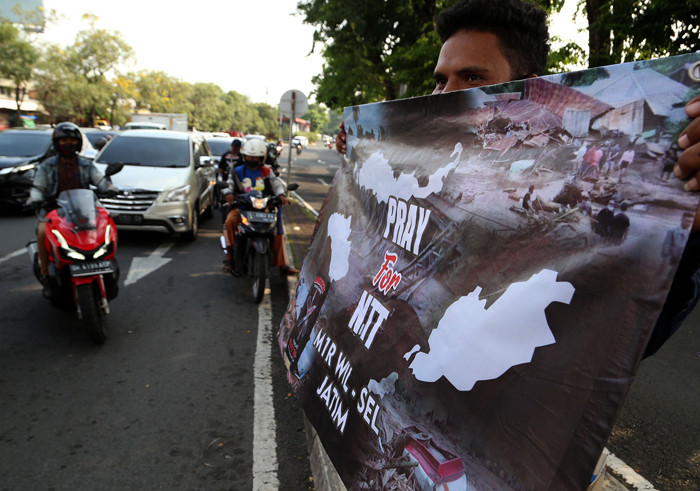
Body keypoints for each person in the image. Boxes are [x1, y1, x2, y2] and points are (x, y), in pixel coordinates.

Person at [333, 0, 700, 357]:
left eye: (473, 77)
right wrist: (361, 158)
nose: (447, 95)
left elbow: (618, 331)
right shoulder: (427, 172)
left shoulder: (556, 203)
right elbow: (380, 232)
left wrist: (688, 227)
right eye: (441, 81)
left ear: (524, 91)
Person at [29, 122, 117, 297]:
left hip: (84, 208)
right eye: (63, 140)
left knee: (106, 226)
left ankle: (108, 265)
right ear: (56, 143)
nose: (67, 144)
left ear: (77, 143)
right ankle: (46, 275)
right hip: (55, 209)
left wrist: (108, 187)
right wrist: (34, 198)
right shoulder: (47, 165)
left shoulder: (86, 164)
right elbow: (38, 186)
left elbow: (98, 179)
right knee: (41, 233)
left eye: (71, 140)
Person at [222, 138, 299, 276]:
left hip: (264, 208)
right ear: (244, 156)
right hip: (242, 208)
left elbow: (276, 183)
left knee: (278, 232)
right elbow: (229, 184)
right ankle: (230, 255)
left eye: (255, 157)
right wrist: (228, 194)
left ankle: (283, 265)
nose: (252, 159)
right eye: (249, 156)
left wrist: (281, 195)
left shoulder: (266, 171)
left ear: (262, 158)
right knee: (229, 222)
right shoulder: (237, 171)